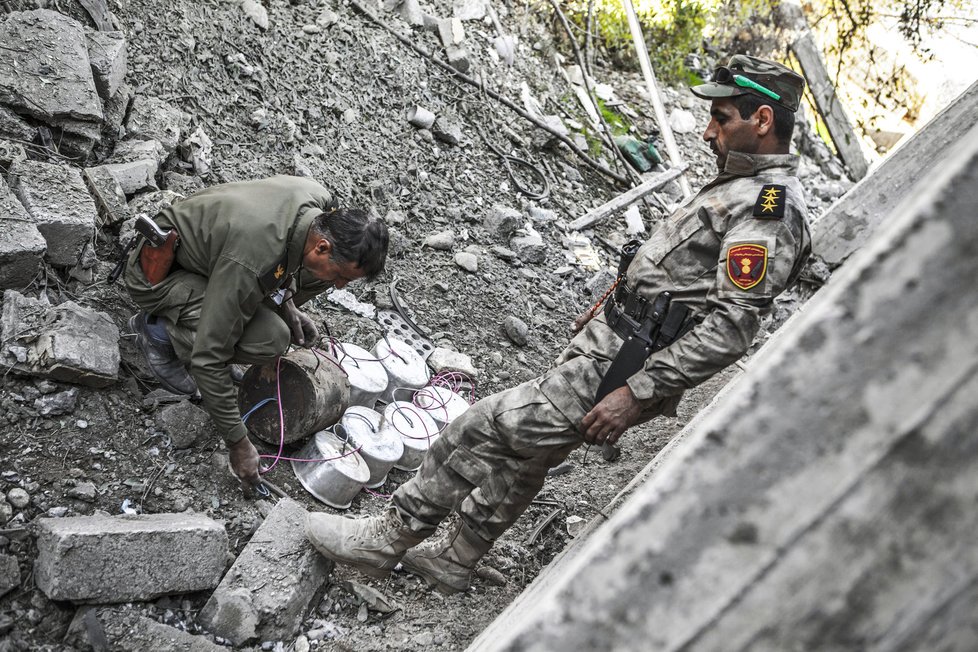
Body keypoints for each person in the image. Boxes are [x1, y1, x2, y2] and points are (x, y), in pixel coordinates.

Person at [305, 55, 813, 594]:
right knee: (528, 455)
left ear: (762, 121)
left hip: (624, 368)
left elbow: (732, 326)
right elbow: (682, 280)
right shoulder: (736, 182)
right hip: (614, 345)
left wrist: (637, 393)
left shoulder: (767, 209)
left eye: (724, 117)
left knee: (478, 427)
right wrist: (611, 306)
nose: (709, 131)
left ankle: (383, 541)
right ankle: (456, 557)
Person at [124, 175, 389, 490]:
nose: (343, 285)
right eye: (344, 274)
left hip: (213, 263)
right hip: (158, 276)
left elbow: (284, 264)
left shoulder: (320, 205)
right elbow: (209, 360)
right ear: (322, 245)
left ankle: (219, 319)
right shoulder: (254, 255)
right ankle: (161, 332)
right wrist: (239, 443)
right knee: (271, 339)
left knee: (315, 281)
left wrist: (288, 304)